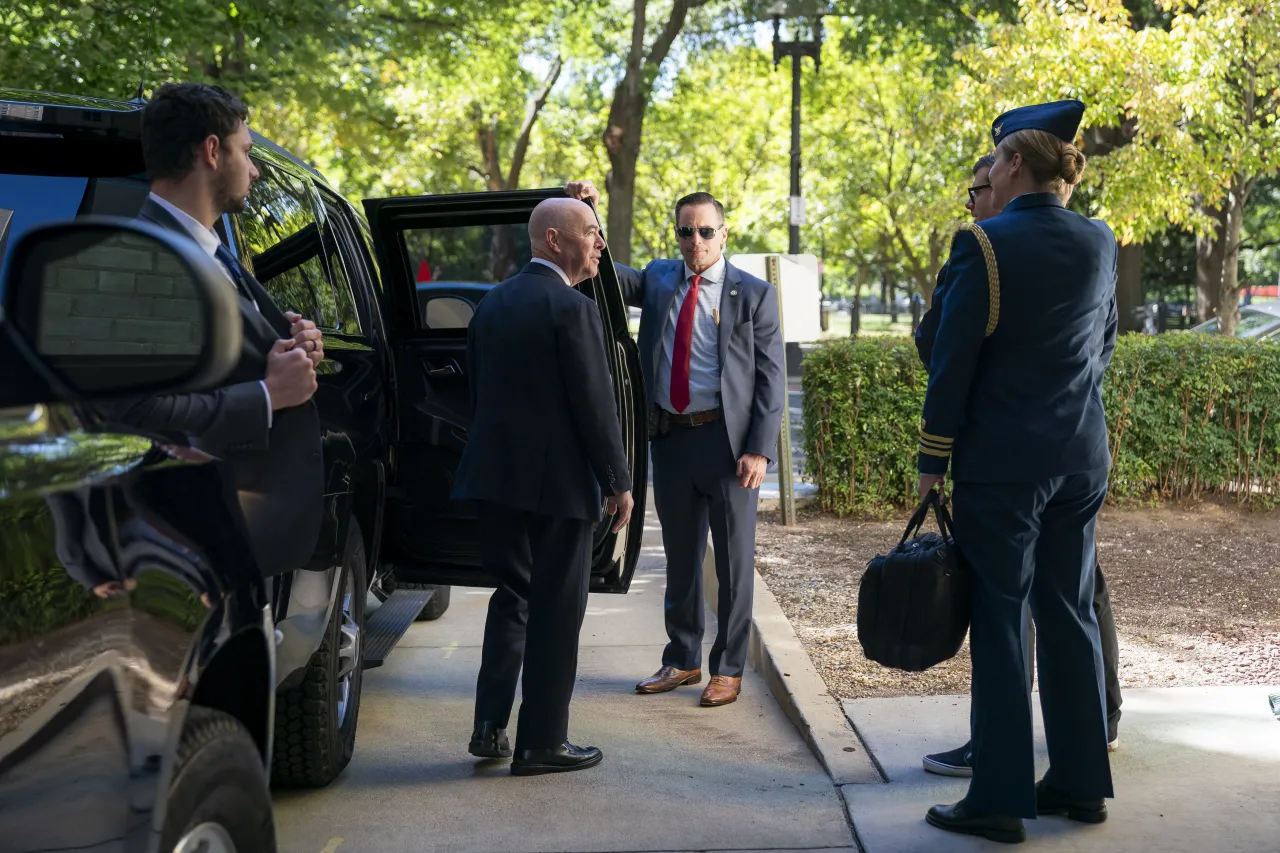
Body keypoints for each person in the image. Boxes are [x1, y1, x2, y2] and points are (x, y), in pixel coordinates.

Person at [916, 100, 1118, 843]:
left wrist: (931, 458)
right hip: (1080, 457)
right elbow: (1104, 345)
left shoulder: (983, 244)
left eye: (994, 159)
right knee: (1068, 613)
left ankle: (998, 797)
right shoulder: (1100, 241)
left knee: (1001, 621)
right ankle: (1079, 780)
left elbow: (947, 357)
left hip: (1004, 464)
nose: (990, 170)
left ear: (1012, 164)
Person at [563, 181, 785, 708]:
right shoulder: (661, 277)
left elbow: (772, 380)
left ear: (723, 233)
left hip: (730, 448)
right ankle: (682, 658)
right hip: (671, 439)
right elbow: (609, 277)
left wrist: (759, 448)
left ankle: (728, 668)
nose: (695, 241)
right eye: (686, 231)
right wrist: (585, 212)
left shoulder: (753, 294)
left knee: (732, 563)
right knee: (680, 560)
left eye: (706, 231)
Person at [108, 82, 324, 577]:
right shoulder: (142, 263)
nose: (255, 168)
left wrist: (289, 340)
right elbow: (134, 413)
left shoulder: (210, 248)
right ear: (211, 151)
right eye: (246, 152)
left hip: (232, 540)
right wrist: (269, 395)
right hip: (183, 553)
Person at [457, 197, 635, 776]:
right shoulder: (572, 308)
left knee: (513, 598)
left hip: (495, 483)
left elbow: (478, 397)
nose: (599, 243)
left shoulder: (490, 305)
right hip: (558, 490)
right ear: (555, 241)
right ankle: (541, 744)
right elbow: (594, 406)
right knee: (558, 612)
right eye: (590, 232)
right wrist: (618, 482)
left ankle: (489, 725)